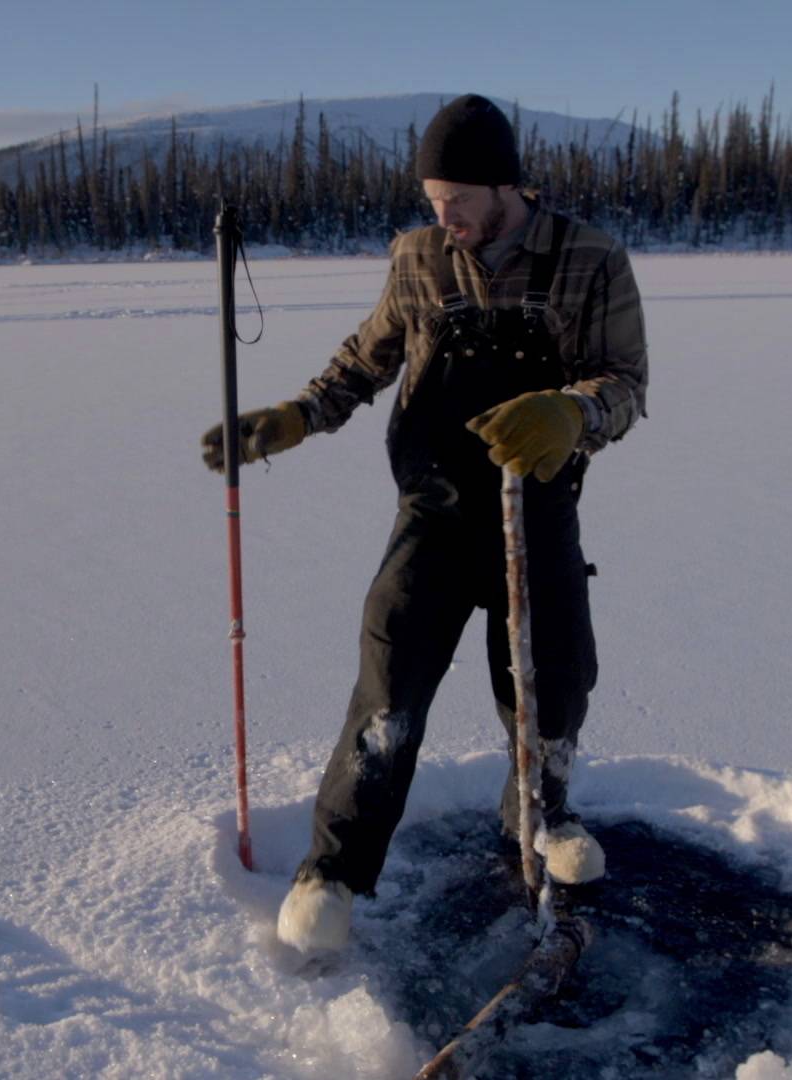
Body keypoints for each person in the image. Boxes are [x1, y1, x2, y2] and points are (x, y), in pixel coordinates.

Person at [201, 94, 649, 954]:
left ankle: (544, 815)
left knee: (552, 678)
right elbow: (366, 358)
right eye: (432, 202)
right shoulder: (419, 258)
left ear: (504, 186)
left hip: (539, 509)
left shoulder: (590, 259)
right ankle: (333, 868)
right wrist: (298, 417)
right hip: (436, 510)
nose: (443, 219)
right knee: (389, 678)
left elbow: (626, 383)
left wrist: (571, 411)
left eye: (457, 202)